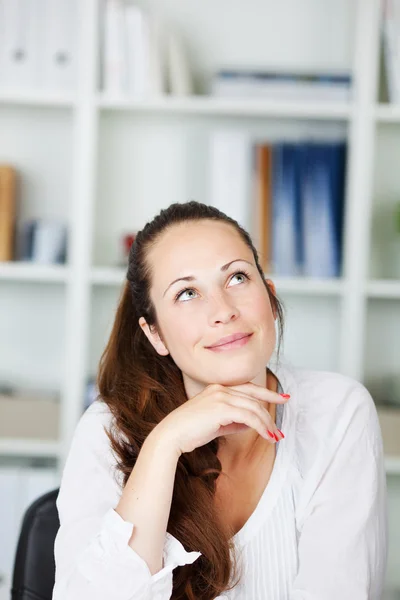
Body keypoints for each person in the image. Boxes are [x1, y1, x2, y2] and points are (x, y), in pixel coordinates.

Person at [52, 201, 388, 600]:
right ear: (155, 334)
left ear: (271, 296)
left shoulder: (338, 412)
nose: (223, 311)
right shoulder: (108, 430)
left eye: (237, 278)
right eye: (188, 293)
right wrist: (163, 446)